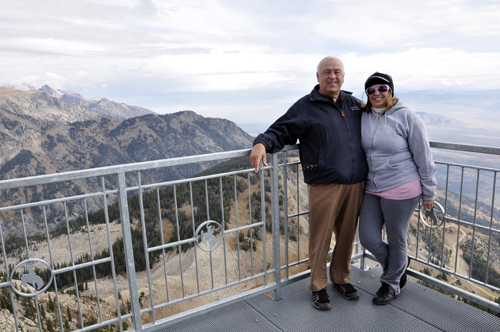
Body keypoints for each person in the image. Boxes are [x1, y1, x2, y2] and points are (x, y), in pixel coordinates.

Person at [249, 56, 368, 311]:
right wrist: (261, 143)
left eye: (337, 72)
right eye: (327, 72)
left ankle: (341, 279)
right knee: (320, 237)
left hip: (355, 182)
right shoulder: (306, 106)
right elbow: (280, 130)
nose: (332, 76)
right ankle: (318, 286)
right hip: (324, 184)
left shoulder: (355, 104)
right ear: (318, 77)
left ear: (344, 76)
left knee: (347, 236)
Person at [358, 72, 437, 305]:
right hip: (372, 186)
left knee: (396, 239)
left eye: (381, 88)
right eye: (371, 90)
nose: (377, 93)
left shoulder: (407, 117)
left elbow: (424, 155)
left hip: (402, 185)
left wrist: (429, 192)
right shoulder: (364, 116)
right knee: (368, 238)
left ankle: (391, 284)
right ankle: (399, 265)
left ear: (390, 90)